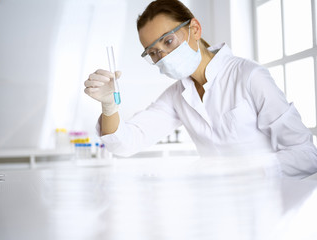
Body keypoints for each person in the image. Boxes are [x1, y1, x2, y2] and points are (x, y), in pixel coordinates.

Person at [84, 0, 317, 178]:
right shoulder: (178, 96)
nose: (162, 56)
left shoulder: (248, 76)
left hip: (272, 206)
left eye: (168, 41)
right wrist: (109, 105)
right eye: (153, 52)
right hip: (223, 211)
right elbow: (127, 143)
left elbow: (306, 156)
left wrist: (246, 170)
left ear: (194, 28)